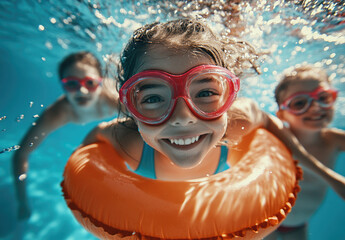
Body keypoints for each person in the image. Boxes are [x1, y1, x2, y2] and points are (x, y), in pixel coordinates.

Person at [81, 19, 345, 201]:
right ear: (129, 106)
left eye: (206, 93)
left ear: (230, 96)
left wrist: (329, 177)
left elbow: (270, 125)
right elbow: (95, 140)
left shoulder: (237, 123)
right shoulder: (128, 141)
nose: (183, 117)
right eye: (152, 99)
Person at [12, 51, 118, 220]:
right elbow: (22, 154)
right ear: (63, 86)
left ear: (100, 82)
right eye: (71, 84)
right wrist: (22, 201)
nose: (81, 90)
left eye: (90, 83)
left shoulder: (115, 97)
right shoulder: (57, 114)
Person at [263, 64, 345, 240]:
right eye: (299, 103)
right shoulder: (275, 138)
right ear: (282, 115)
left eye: (324, 97)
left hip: (297, 226)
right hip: (263, 223)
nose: (315, 108)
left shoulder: (335, 140)